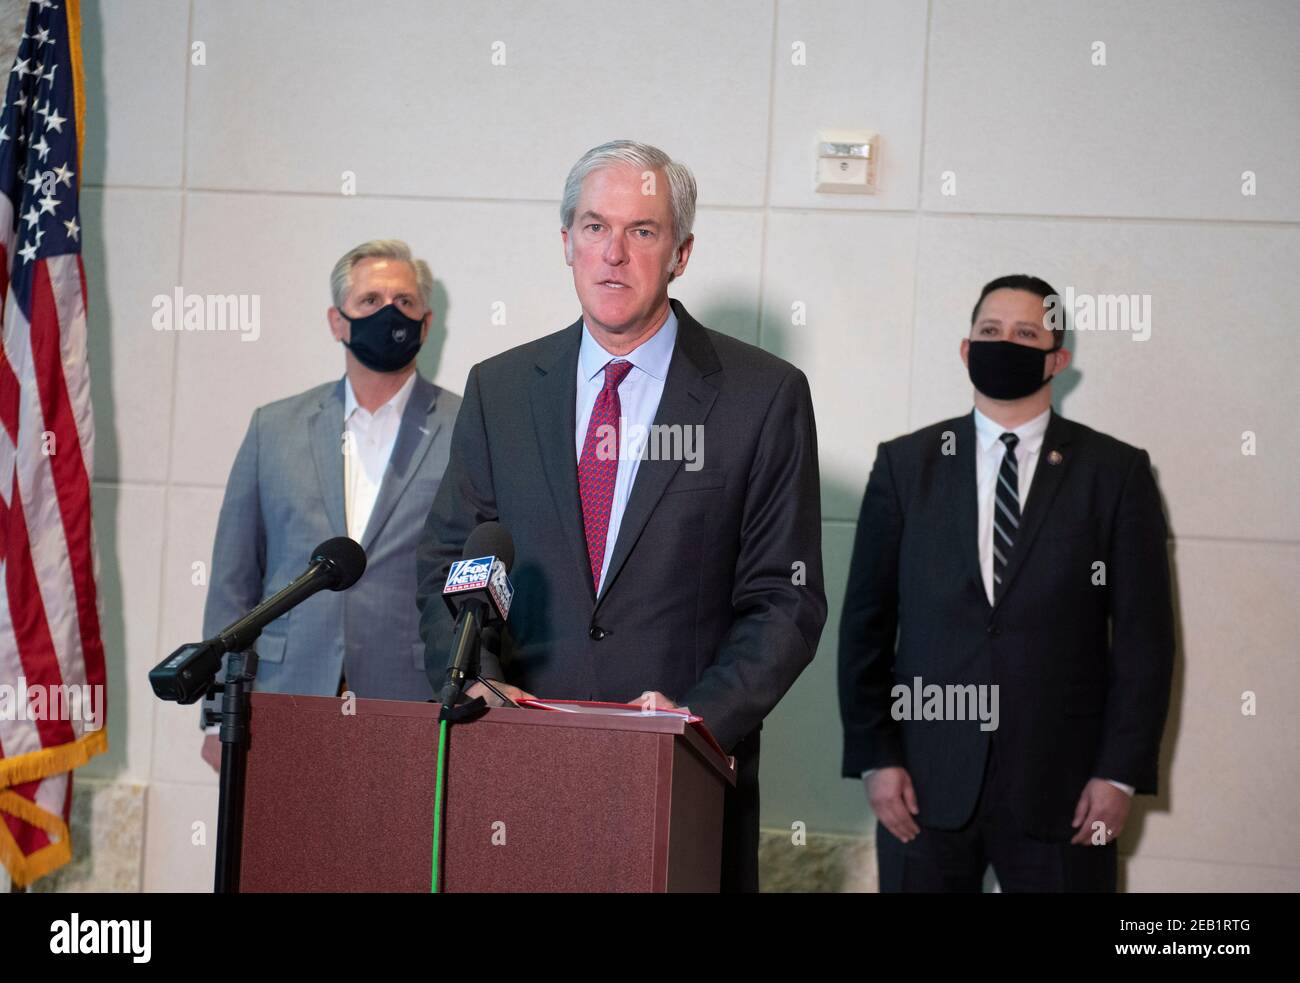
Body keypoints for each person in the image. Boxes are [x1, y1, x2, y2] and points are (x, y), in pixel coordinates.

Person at [416, 140, 826, 891]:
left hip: (682, 789)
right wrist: (476, 678)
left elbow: (786, 600)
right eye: (594, 227)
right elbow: (449, 561)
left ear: (681, 253)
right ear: (566, 242)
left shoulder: (761, 396)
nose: (613, 254)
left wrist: (695, 721)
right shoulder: (501, 389)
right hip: (516, 775)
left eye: (642, 231)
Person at [839, 274, 1174, 892]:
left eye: (1026, 334)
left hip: (1068, 794)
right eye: (990, 331)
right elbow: (865, 627)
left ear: (1058, 359)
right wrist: (875, 758)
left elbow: (1144, 643)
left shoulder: (1116, 473)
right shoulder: (905, 466)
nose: (1005, 343)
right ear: (967, 349)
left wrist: (1119, 774)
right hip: (923, 789)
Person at [200, 239, 460, 770]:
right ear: (336, 321)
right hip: (281, 698)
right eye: (369, 301)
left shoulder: (467, 429)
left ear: (427, 323)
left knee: (389, 852)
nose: (390, 313)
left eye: (405, 302)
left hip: (410, 705)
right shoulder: (273, 428)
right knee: (281, 853)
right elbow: (233, 579)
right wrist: (214, 712)